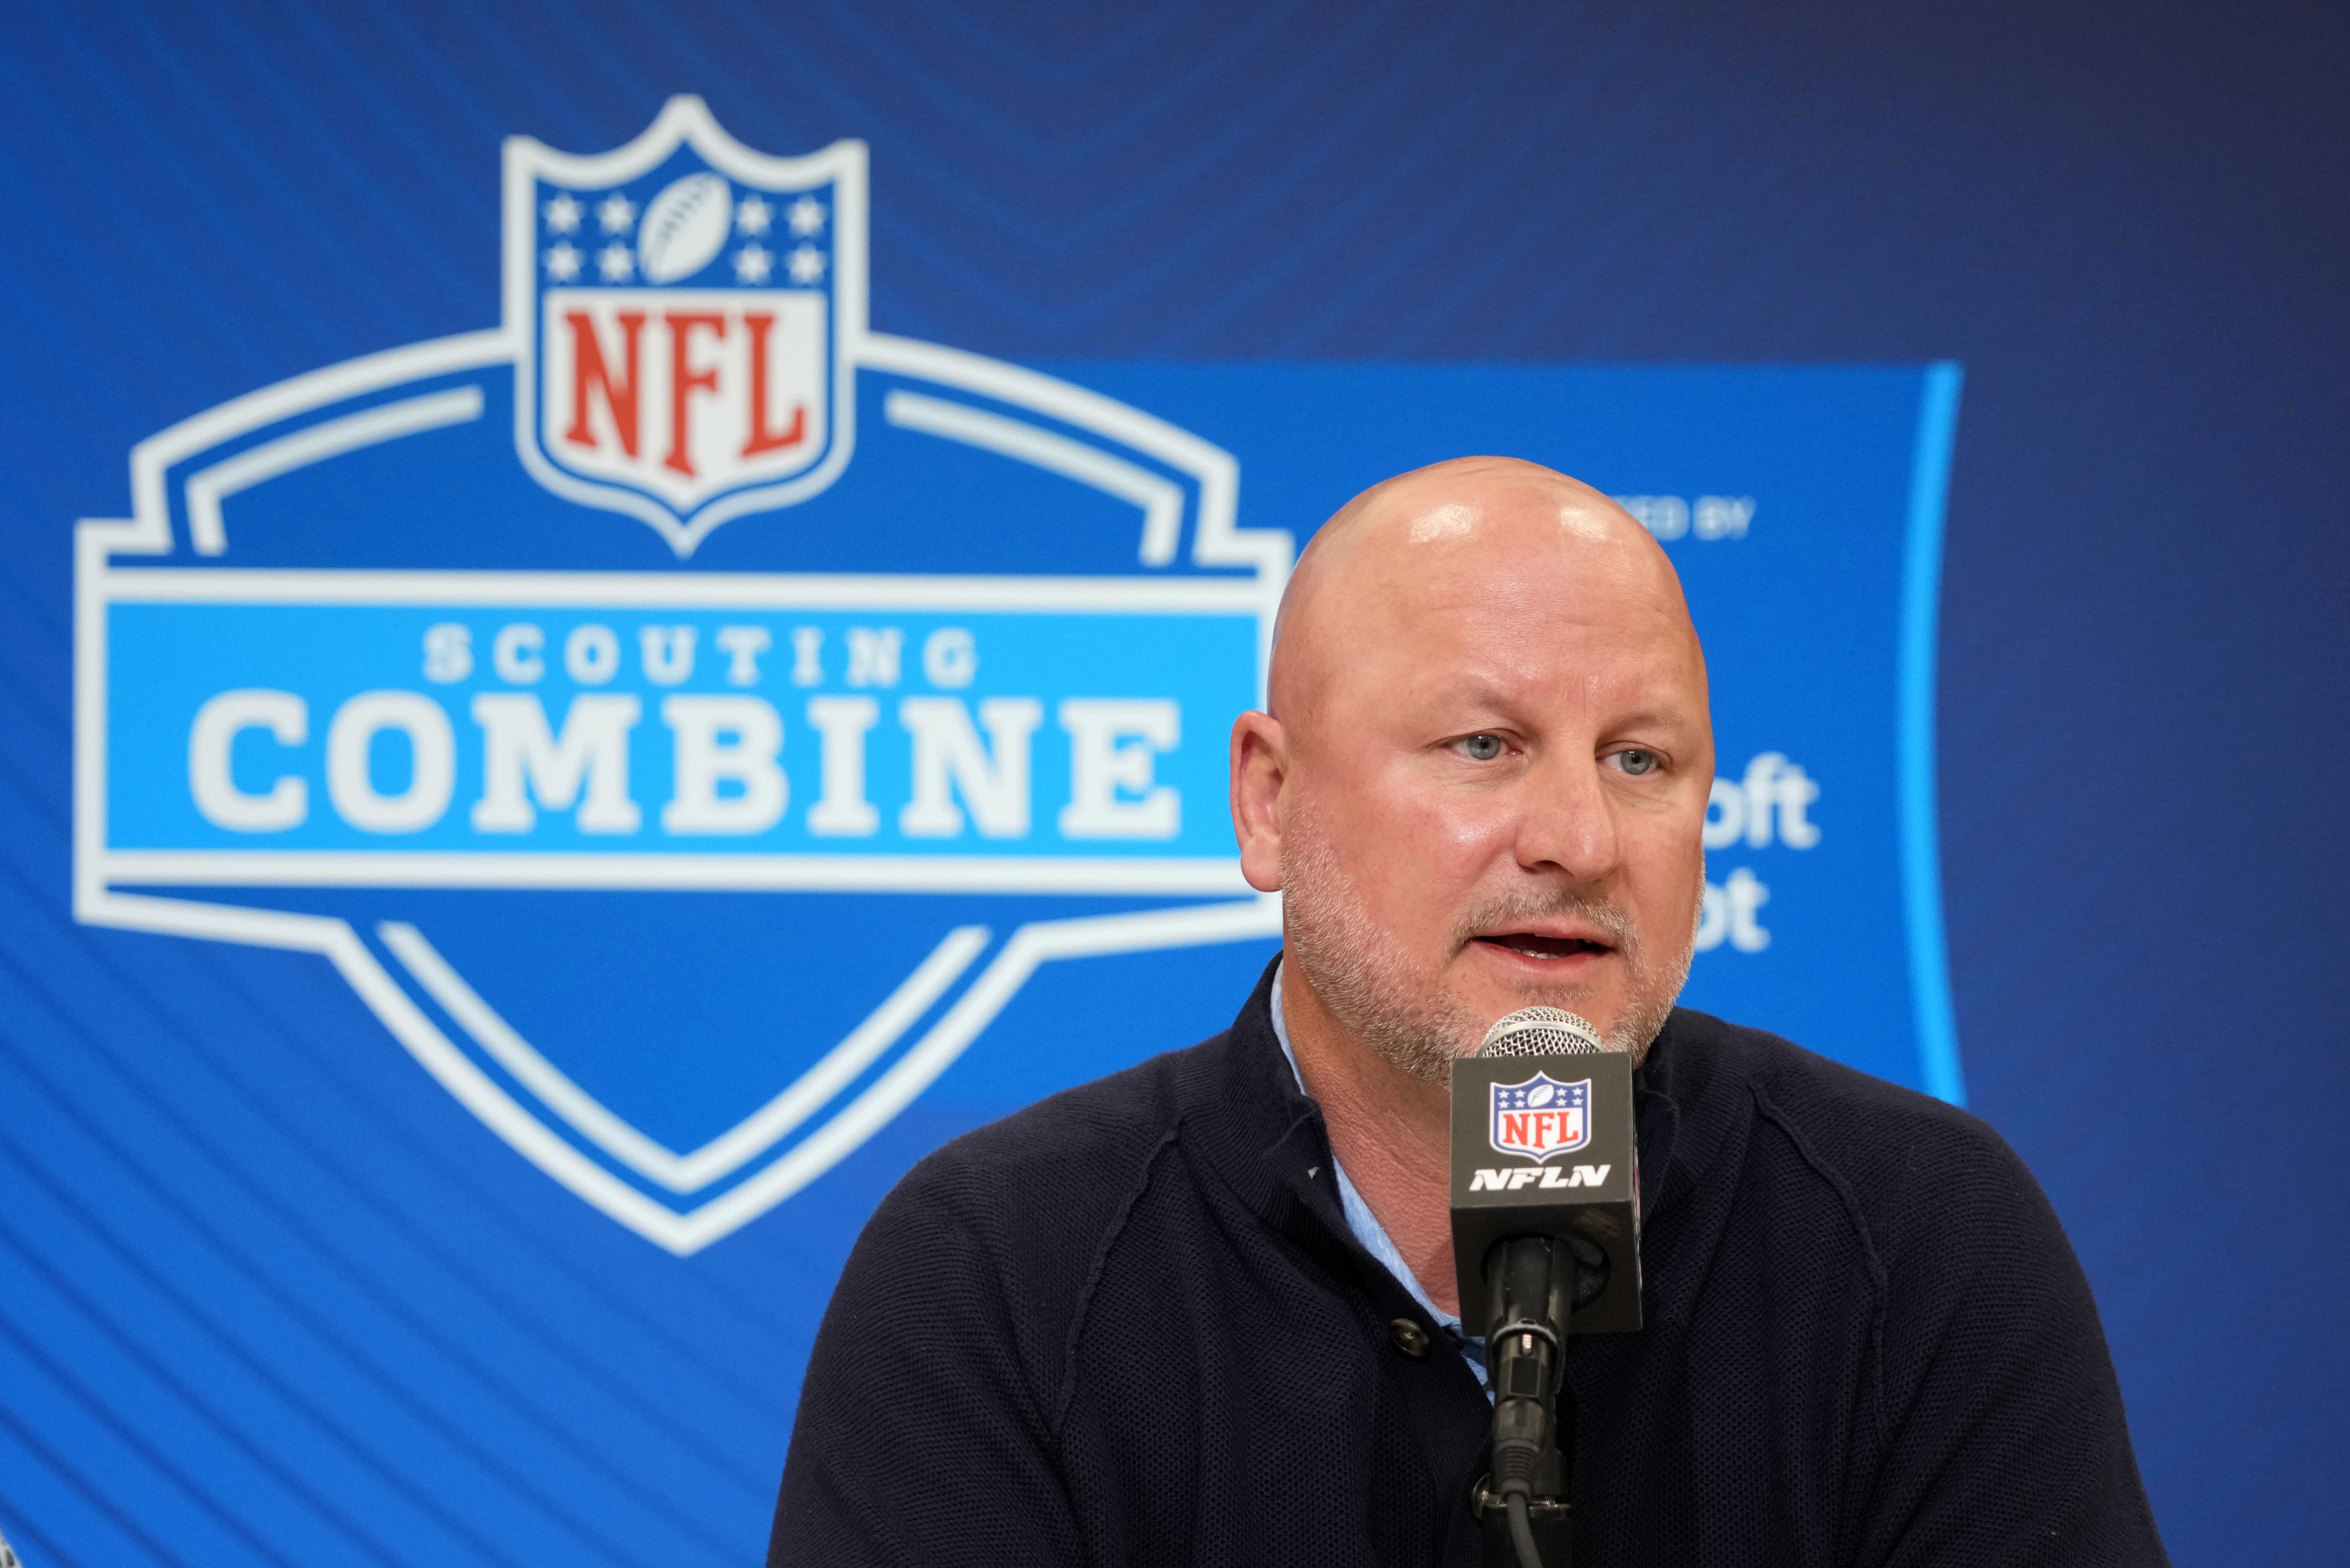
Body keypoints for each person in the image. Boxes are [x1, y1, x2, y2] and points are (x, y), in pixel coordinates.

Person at [769, 458, 2168, 1566]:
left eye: (1641, 757)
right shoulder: (1001, 1273)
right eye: (1484, 744)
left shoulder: (1917, 1236)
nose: (1578, 834)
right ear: (1269, 797)